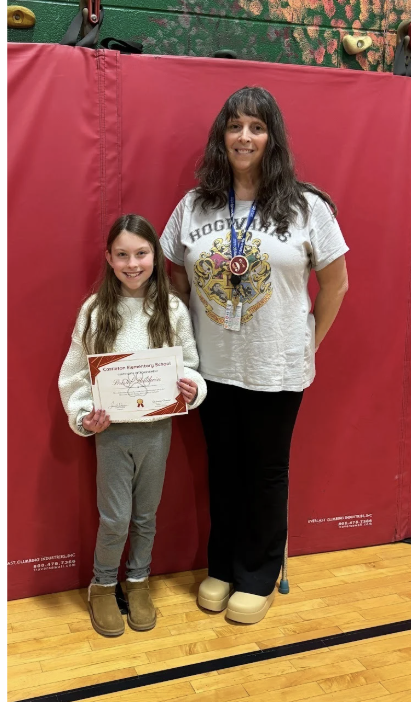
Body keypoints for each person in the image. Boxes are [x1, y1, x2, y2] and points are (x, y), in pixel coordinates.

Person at [161, 86, 349, 624]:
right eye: (236, 126)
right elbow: (174, 269)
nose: (245, 136)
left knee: (265, 472)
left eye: (257, 127)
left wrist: (310, 342)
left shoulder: (306, 207)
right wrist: (187, 324)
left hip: (278, 365)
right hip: (211, 364)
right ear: (222, 136)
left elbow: (336, 283)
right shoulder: (194, 205)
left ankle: (258, 575)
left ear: (273, 138)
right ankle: (221, 566)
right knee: (223, 469)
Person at [59, 214, 206, 637]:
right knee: (115, 518)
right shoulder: (94, 310)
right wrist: (85, 414)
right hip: (113, 433)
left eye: (141, 253)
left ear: (155, 256)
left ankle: (138, 579)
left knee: (146, 515)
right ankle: (103, 585)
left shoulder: (171, 308)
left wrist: (190, 387)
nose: (132, 263)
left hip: (157, 432)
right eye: (122, 254)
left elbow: (191, 367)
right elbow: (74, 375)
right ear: (108, 258)